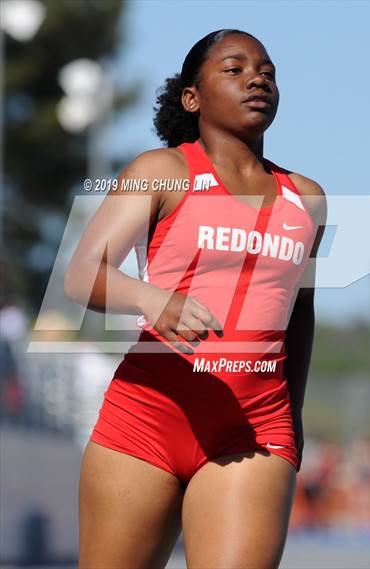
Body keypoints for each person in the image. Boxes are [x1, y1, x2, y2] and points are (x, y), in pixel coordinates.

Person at [65, 29, 326, 569]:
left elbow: (300, 314)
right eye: (235, 69)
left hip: (254, 427)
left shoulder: (308, 199)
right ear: (192, 97)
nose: (258, 79)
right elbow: (82, 274)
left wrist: (292, 421)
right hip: (144, 419)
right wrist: (151, 298)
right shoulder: (160, 172)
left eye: (268, 72)